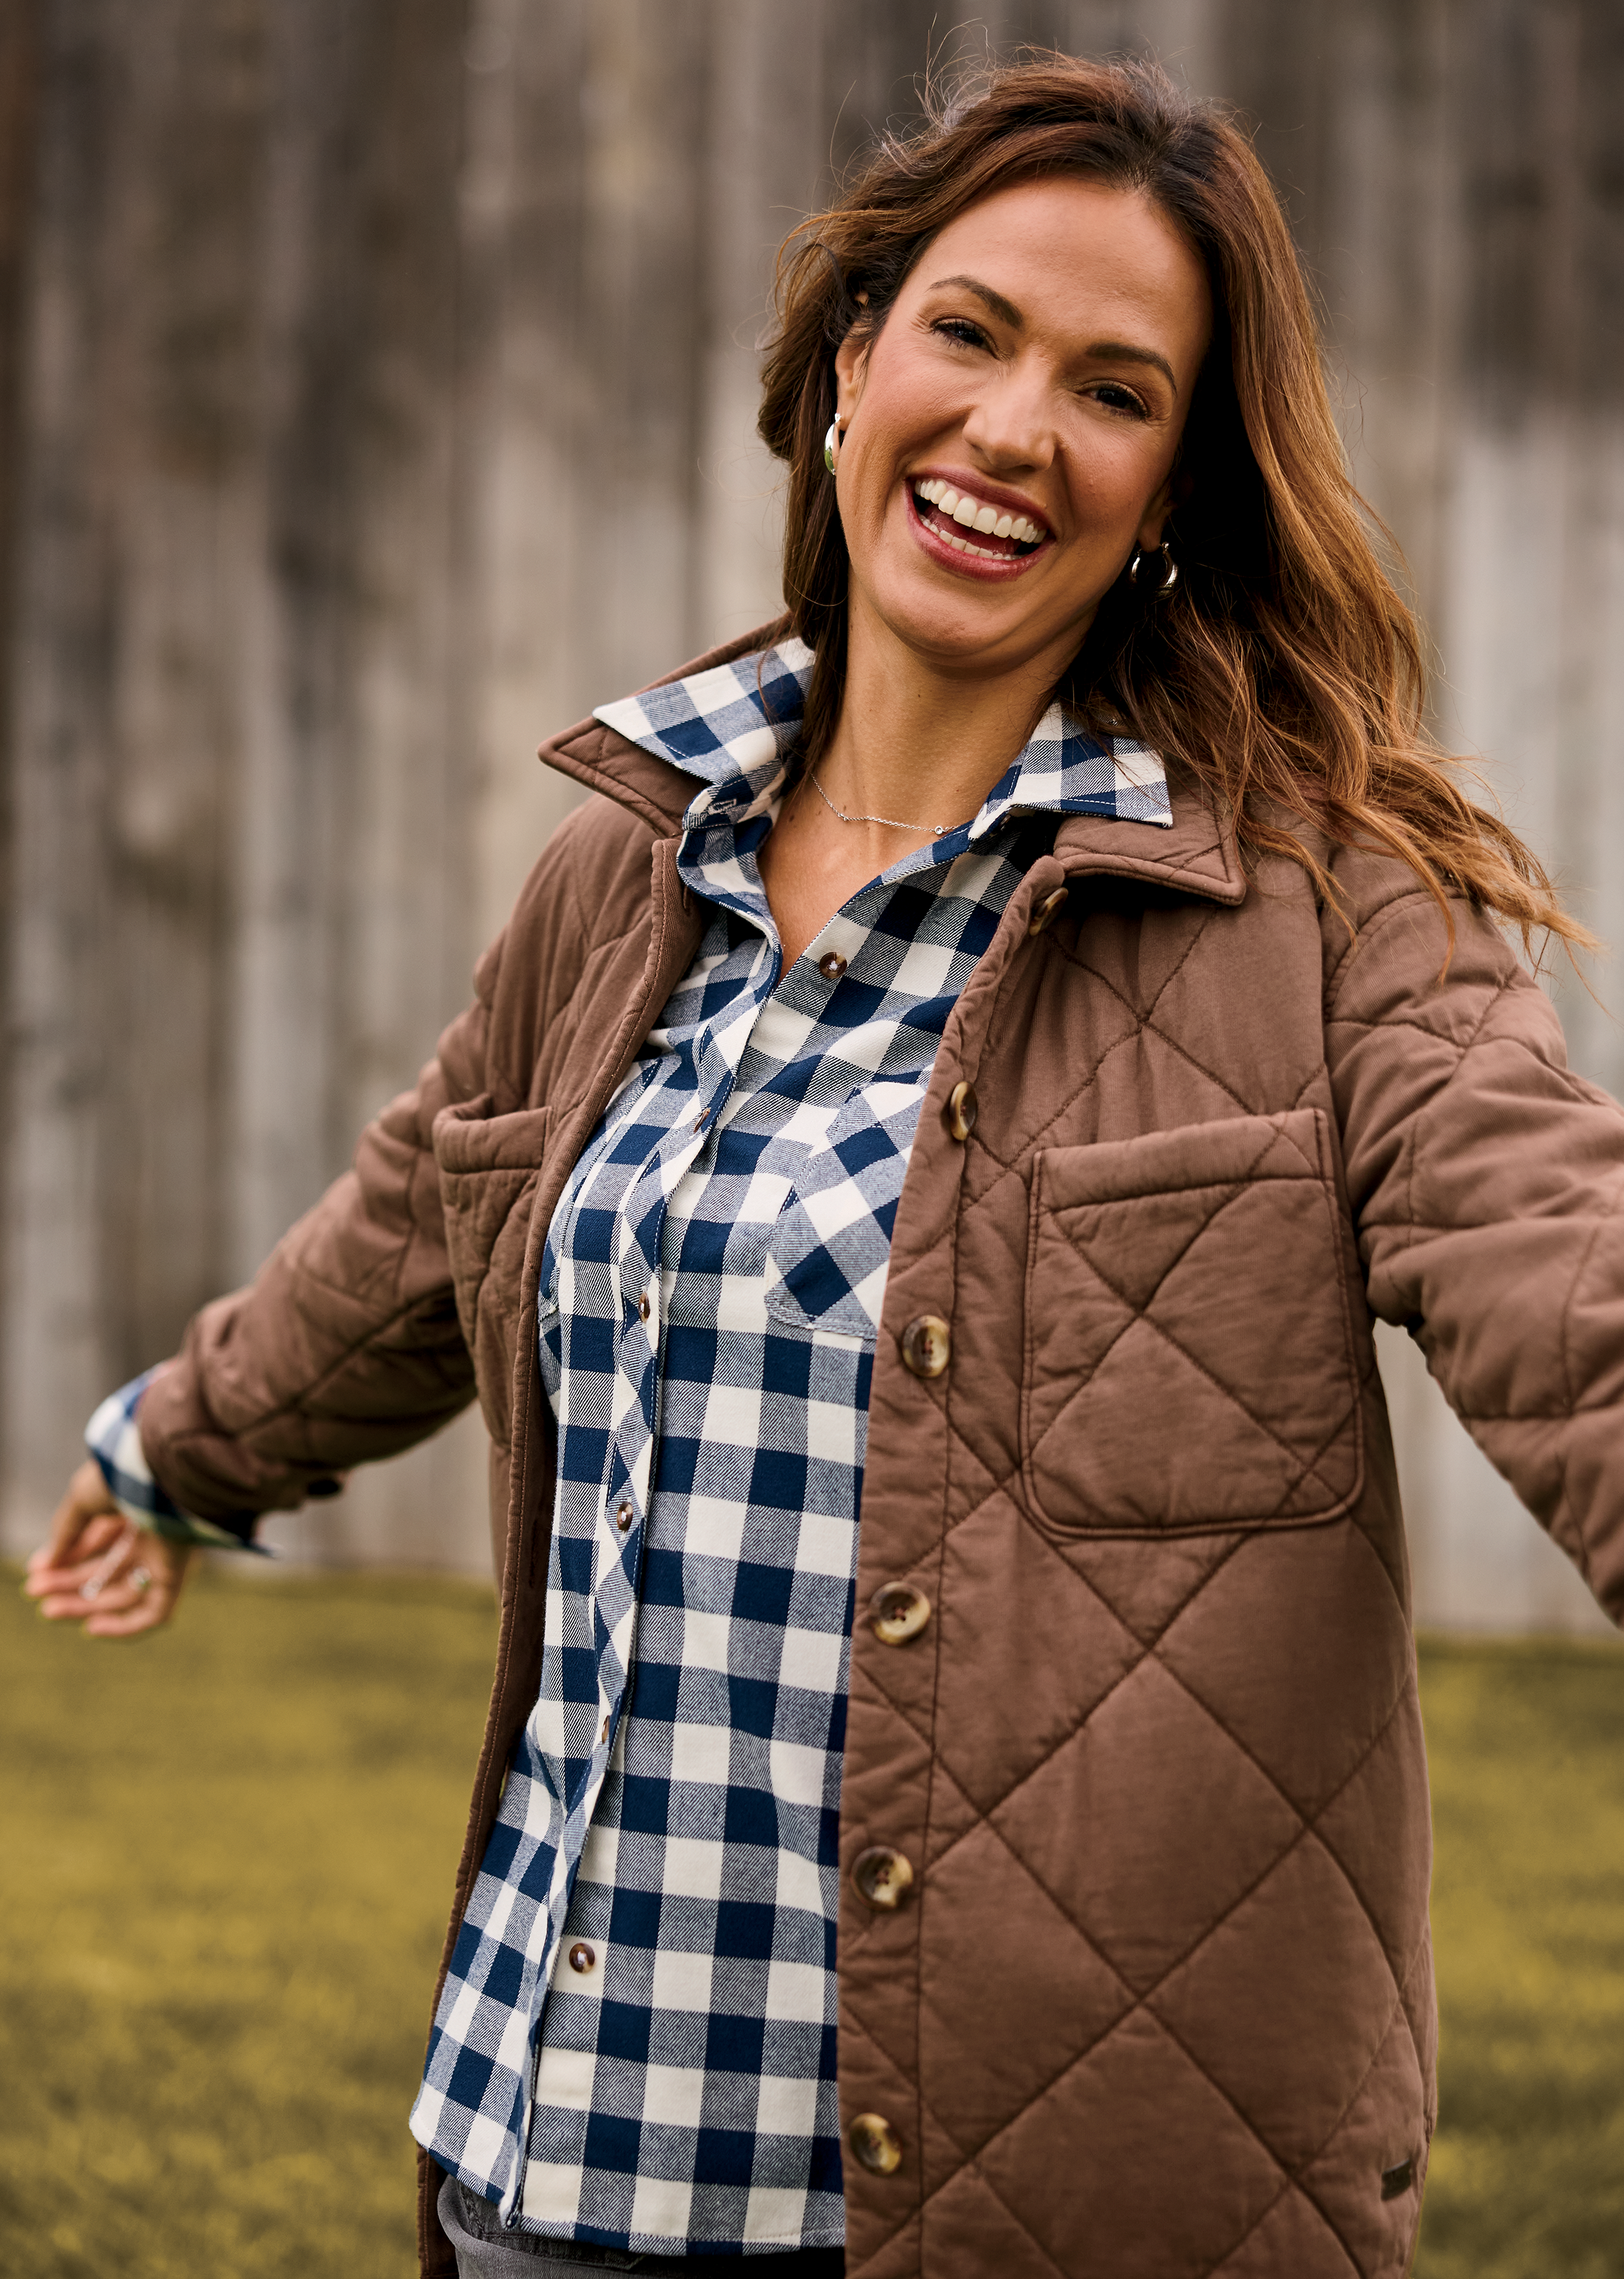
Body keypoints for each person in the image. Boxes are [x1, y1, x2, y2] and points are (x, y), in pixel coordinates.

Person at [24, 49, 1623, 2279]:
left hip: (1031, 2209)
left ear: (1174, 484)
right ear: (855, 362)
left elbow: (1568, 1270)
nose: (1012, 429)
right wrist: (173, 1447)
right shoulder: (628, 866)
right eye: (970, 333)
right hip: (550, 2160)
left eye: (1115, 386)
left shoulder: (1334, 919)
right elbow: (423, 1219)